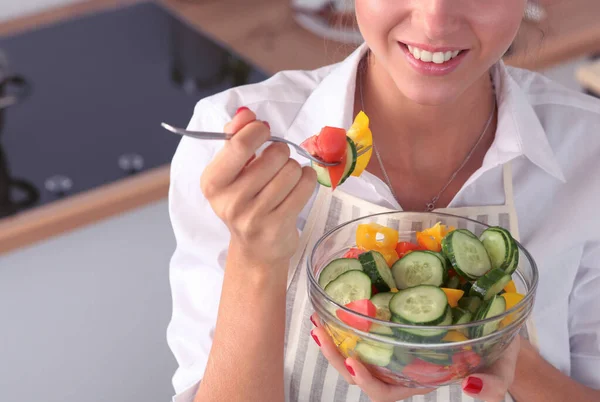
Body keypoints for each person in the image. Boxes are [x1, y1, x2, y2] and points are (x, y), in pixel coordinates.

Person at [166, 1, 600, 401]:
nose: (434, 22)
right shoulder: (234, 142)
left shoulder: (588, 149)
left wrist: (491, 344)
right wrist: (255, 259)